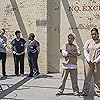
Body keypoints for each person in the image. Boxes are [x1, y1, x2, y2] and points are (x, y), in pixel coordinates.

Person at [82, 28, 100, 97]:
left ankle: (98, 92)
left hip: (97, 63)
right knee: (87, 77)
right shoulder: (88, 42)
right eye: (92, 34)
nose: (93, 36)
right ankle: (85, 91)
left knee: (97, 78)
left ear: (98, 34)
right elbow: (85, 51)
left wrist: (96, 60)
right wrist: (88, 59)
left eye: (95, 34)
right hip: (88, 63)